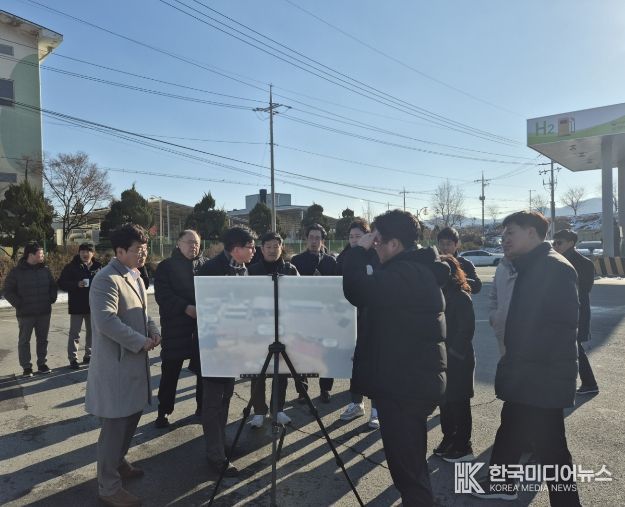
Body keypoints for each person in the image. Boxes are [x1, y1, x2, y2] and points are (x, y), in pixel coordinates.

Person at [472, 212, 581, 505]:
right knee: (511, 427)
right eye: (503, 233)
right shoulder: (528, 265)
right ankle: (502, 482)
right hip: (526, 371)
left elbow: (562, 325)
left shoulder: (553, 267)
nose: (504, 239)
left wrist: (526, 363)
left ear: (532, 233)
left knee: (552, 450)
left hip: (540, 376)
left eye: (511, 232)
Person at [342, 210, 449, 506]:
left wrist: (358, 251)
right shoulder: (413, 269)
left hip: (404, 387)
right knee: (410, 463)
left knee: (408, 470)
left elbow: (357, 289)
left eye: (377, 240)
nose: (373, 245)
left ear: (394, 244)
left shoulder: (406, 273)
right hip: (409, 381)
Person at [85, 224, 161, 507]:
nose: (143, 254)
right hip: (117, 367)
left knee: (131, 418)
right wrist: (140, 341)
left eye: (145, 249)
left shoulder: (136, 276)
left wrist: (153, 329)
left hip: (134, 365)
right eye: (138, 250)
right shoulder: (106, 279)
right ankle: (108, 487)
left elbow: (142, 312)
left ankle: (118, 463)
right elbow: (106, 321)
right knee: (115, 428)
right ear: (119, 251)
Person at [196, 225, 257, 477]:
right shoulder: (211, 270)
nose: (254, 251)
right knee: (212, 403)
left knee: (227, 397)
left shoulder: (244, 269)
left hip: (234, 345)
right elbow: (205, 308)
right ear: (235, 249)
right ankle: (215, 455)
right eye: (250, 247)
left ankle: (221, 444)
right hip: (213, 347)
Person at [154, 230, 207, 428]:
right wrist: (185, 307)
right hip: (175, 327)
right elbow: (163, 295)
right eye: (189, 242)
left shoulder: (206, 265)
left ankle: (202, 408)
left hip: (201, 327)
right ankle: (163, 411)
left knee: (203, 372)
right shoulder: (166, 266)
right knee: (170, 372)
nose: (194, 246)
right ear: (178, 243)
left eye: (197, 243)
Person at [248, 231, 299, 429]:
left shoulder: (291, 269)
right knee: (257, 370)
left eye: (275, 246)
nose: (271, 250)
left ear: (281, 247)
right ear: (261, 249)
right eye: (268, 246)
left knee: (281, 371)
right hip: (258, 327)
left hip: (284, 326)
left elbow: (299, 295)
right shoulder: (252, 270)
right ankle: (259, 412)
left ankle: (278, 409)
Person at [336, 219, 380, 429]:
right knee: (356, 364)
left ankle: (376, 410)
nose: (354, 240)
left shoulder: (376, 255)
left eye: (358, 236)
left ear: (368, 237)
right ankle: (356, 403)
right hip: (347, 318)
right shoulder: (343, 257)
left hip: (372, 319)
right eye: (351, 237)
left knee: (375, 364)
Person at [290, 223, 337, 403]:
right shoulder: (296, 260)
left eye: (318, 238)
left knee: (326, 353)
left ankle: (325, 389)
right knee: (302, 351)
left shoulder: (331, 261)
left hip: (326, 315)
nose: (314, 241)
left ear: (323, 240)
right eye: (311, 237)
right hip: (303, 314)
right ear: (306, 239)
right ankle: (302, 391)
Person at [435, 255, 475, 463]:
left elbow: (466, 330)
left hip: (459, 360)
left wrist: (453, 354)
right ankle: (448, 438)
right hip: (443, 358)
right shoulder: (438, 294)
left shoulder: (460, 296)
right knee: (445, 403)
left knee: (459, 403)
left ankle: (463, 446)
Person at [553, 229, 598, 395]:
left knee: (575, 347)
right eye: (554, 243)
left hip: (575, 310)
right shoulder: (556, 261)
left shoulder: (584, 263)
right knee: (566, 347)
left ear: (571, 243)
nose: (555, 246)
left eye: (559, 243)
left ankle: (589, 383)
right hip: (560, 310)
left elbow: (584, 290)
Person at [3, 241, 57, 376]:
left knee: (43, 340)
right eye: (40, 254)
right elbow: (7, 290)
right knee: (24, 341)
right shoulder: (16, 272)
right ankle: (26, 367)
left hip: (44, 312)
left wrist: (52, 298)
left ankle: (42, 364)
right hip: (25, 313)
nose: (43, 256)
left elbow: (53, 286)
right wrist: (19, 303)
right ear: (31, 255)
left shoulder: (45, 269)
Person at [57, 243, 102, 369]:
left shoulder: (98, 267)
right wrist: (76, 284)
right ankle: (73, 359)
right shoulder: (71, 267)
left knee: (92, 332)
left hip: (93, 305)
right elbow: (61, 283)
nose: (85, 254)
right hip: (77, 305)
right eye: (82, 251)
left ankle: (89, 355)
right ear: (79, 253)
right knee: (74, 333)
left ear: (93, 253)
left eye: (88, 251)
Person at [437, 226, 482, 294]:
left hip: (459, 299)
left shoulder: (466, 264)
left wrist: (459, 279)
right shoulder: (433, 262)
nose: (445, 247)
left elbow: (477, 286)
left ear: (456, 244)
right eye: (442, 243)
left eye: (449, 244)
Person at [488, 254, 517, 357]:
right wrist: (495, 317)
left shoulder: (539, 265)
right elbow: (493, 296)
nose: (505, 245)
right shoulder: (502, 266)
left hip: (530, 339)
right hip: (503, 334)